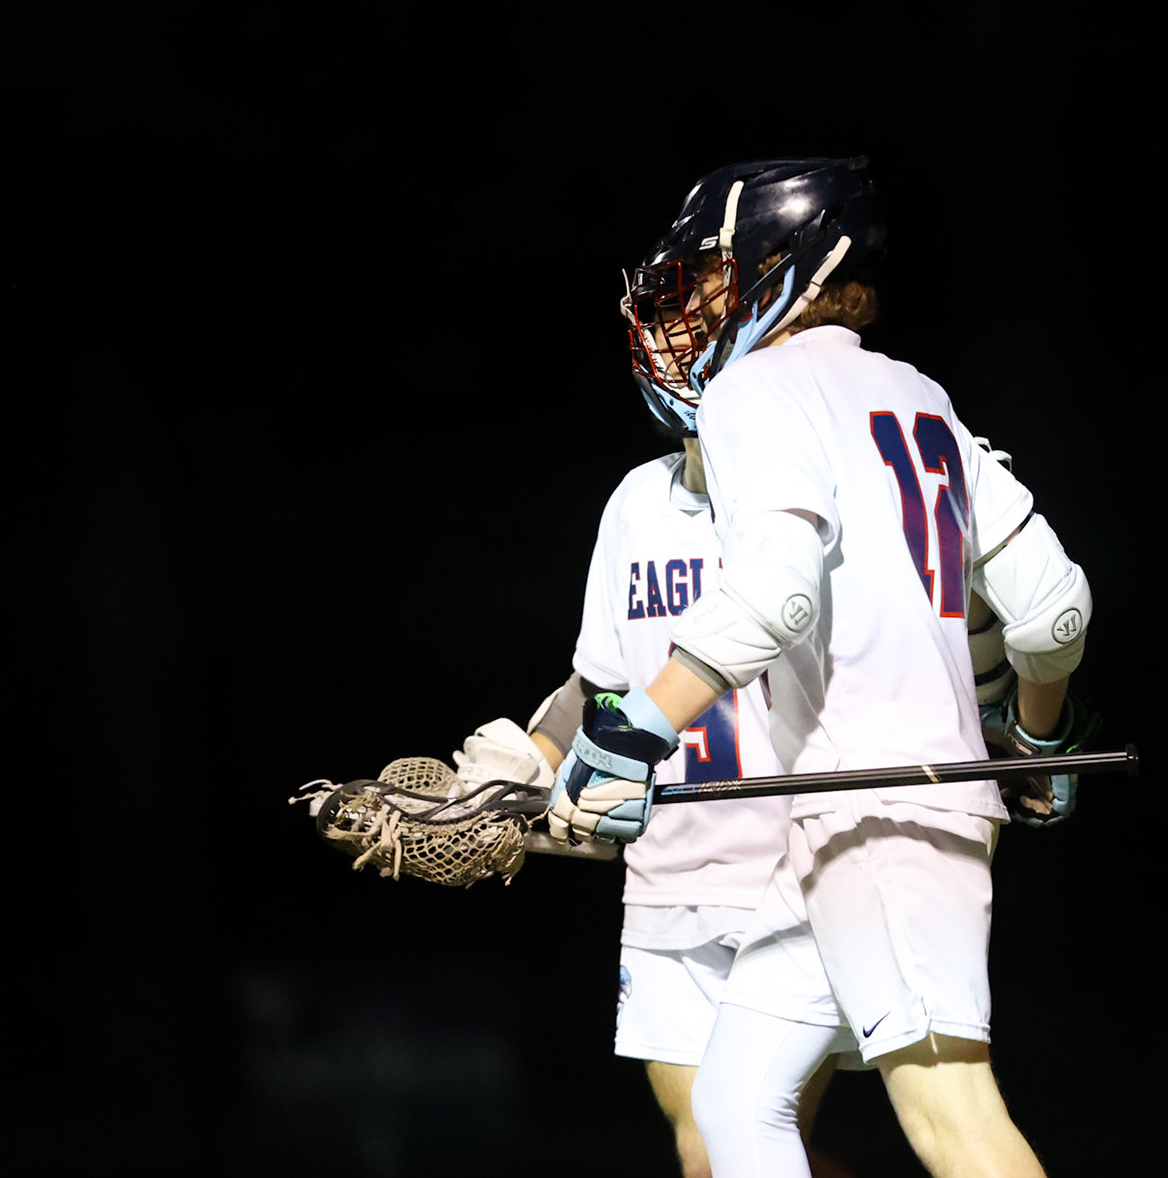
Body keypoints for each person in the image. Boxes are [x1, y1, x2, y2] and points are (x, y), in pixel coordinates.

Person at [547, 157, 1093, 1177]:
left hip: (883, 813)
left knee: (955, 1119)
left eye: (711, 274)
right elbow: (1054, 608)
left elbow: (776, 591)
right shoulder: (919, 394)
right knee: (736, 1103)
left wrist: (632, 731)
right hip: (850, 826)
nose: (694, 303)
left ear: (780, 265)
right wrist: (1036, 729)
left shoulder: (753, 389)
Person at [451, 382, 848, 1176]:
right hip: (667, 876)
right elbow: (599, 680)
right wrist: (530, 761)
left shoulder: (805, 504)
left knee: (756, 1133)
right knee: (706, 1152)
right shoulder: (636, 499)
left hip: (790, 873)